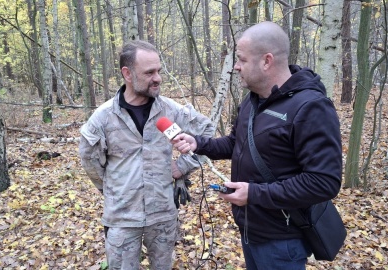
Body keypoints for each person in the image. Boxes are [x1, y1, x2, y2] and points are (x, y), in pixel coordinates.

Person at [172, 21, 342, 269]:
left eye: (241, 59)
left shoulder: (311, 107)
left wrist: (253, 194)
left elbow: (323, 181)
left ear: (266, 61)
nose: (236, 67)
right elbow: (236, 144)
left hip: (283, 240)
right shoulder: (252, 101)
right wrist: (198, 143)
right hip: (250, 229)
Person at [78, 40, 214, 270]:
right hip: (122, 218)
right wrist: (115, 190)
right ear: (127, 74)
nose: (158, 78)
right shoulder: (103, 118)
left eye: (159, 71)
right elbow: (91, 164)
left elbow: (207, 135)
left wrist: (183, 165)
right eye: (149, 72)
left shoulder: (170, 111)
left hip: (162, 214)